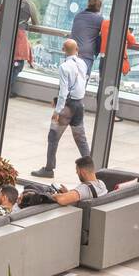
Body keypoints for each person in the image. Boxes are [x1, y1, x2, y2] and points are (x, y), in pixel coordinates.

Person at [32, 38, 89, 178]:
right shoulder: (83, 63)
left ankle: (49, 169)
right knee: (81, 139)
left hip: (68, 107)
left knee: (53, 137)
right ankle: (90, 169)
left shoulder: (64, 67)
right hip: (79, 104)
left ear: (63, 50)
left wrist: (57, 111)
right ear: (77, 50)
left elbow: (63, 91)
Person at [68, 0, 104, 76]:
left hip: (72, 51)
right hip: (86, 55)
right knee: (81, 83)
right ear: (99, 8)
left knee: (67, 81)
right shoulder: (99, 19)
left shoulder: (78, 16)